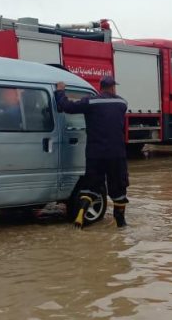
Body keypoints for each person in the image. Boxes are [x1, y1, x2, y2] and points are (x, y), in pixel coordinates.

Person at [55, 76, 129, 228]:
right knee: (119, 188)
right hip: (117, 154)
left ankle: (80, 218)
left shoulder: (90, 102)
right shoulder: (122, 103)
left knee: (90, 186)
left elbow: (67, 106)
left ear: (100, 87)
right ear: (113, 87)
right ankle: (121, 223)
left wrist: (60, 92)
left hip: (95, 153)